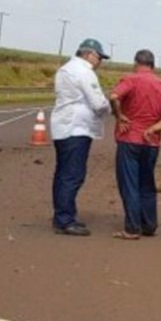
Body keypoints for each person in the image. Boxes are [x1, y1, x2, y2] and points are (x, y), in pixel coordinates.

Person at [109, 49, 161, 239]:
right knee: (147, 183)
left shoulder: (131, 80)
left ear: (136, 63)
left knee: (129, 184)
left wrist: (119, 115)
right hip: (151, 142)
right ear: (152, 65)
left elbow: (114, 96)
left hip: (129, 138)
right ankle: (149, 224)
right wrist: (154, 128)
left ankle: (132, 227)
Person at [51, 38, 112, 236]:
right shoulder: (85, 72)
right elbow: (98, 103)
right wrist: (110, 109)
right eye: (99, 57)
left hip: (62, 127)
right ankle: (65, 220)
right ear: (89, 54)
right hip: (77, 128)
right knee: (73, 175)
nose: (100, 61)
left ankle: (63, 215)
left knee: (62, 173)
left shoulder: (65, 69)